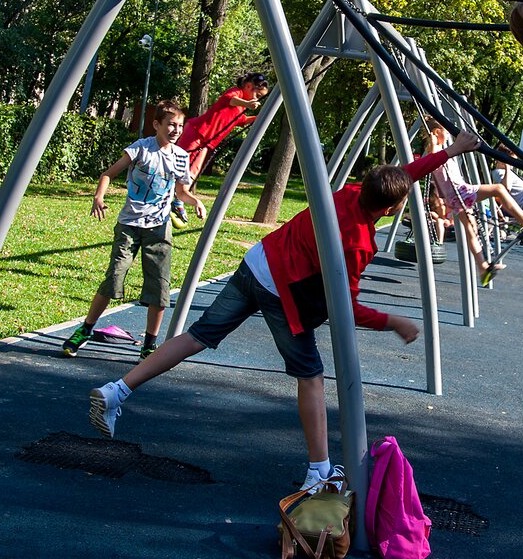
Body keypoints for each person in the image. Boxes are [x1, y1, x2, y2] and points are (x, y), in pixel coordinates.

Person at [87, 129, 485, 493]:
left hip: (257, 262)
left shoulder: (350, 192)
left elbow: (403, 174)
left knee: (196, 336)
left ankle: (116, 390)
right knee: (311, 376)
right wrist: (392, 321)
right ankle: (319, 469)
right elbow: (343, 309)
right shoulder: (358, 242)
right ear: (391, 208)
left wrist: (449, 151)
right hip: (281, 290)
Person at [61, 100, 207, 362]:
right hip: (129, 225)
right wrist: (98, 196)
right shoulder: (141, 149)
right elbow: (108, 174)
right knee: (114, 278)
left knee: (159, 287)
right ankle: (85, 329)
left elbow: (181, 192)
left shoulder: (181, 157)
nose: (176, 130)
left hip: (159, 229)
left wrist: (195, 202)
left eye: (180, 126)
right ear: (156, 124)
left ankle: (149, 344)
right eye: (171, 124)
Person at [423, 119, 523, 274]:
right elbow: (432, 151)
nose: (448, 136)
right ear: (437, 133)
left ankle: (482, 267)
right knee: (498, 188)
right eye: (446, 132)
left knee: (472, 231)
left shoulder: (441, 149)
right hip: (458, 192)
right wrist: (434, 140)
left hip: (456, 195)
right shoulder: (435, 149)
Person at [176, 72, 271, 189]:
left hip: (206, 142)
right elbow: (230, 99)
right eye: (257, 95)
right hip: (196, 132)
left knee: (193, 171)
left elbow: (242, 121)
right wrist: (247, 104)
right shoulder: (236, 92)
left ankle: (179, 198)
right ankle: (171, 192)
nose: (257, 99)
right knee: (179, 164)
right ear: (248, 86)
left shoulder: (241, 108)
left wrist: (260, 117)